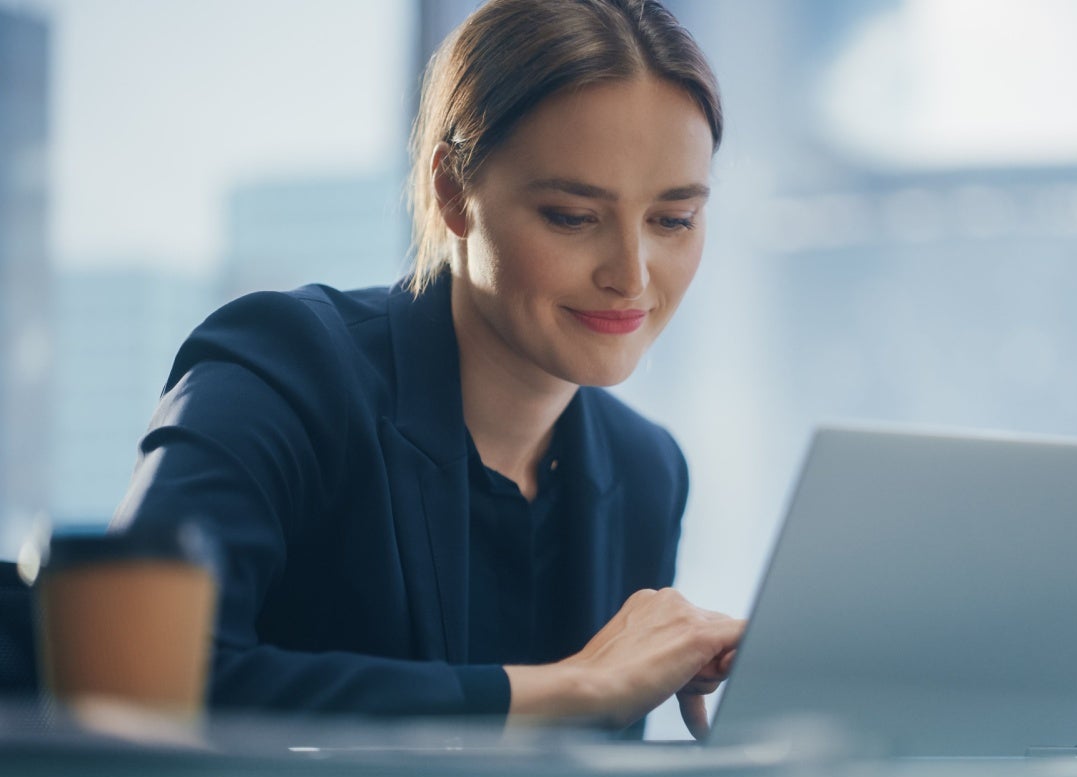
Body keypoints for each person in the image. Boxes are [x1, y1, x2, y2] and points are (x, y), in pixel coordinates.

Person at [111, 0, 743, 739]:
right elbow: (133, 672)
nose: (632, 276)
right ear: (451, 191)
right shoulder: (281, 366)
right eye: (573, 216)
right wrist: (568, 687)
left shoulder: (647, 470)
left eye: (673, 220)